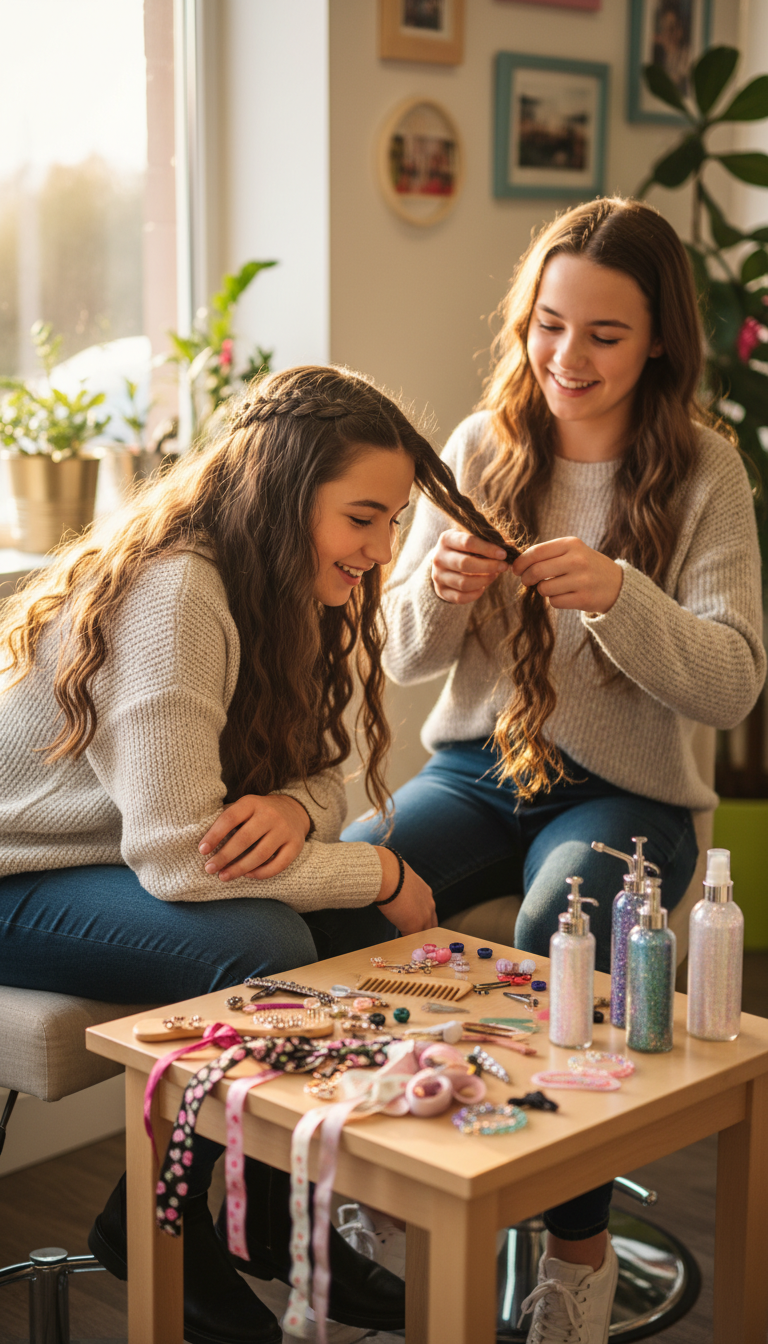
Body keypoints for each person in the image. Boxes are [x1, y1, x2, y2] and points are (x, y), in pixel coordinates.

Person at [0, 364, 522, 1344]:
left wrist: (290, 801)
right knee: (268, 947)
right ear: (287, 496)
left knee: (359, 936)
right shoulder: (177, 590)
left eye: (393, 520)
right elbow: (180, 861)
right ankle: (167, 1232)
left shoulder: (281, 582)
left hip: (101, 859)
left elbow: (335, 771)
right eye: (362, 518)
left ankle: (279, 1230)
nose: (381, 549)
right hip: (12, 880)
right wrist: (385, 869)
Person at [344, 198, 766, 1344]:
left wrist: (624, 594)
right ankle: (393, 1187)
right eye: (546, 325)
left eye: (604, 336)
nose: (566, 360)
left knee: (557, 932)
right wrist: (437, 591)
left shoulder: (706, 474)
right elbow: (397, 655)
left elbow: (733, 683)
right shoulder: (484, 446)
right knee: (347, 882)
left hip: (633, 792)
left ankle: (571, 1259)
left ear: (661, 343)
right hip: (484, 767)